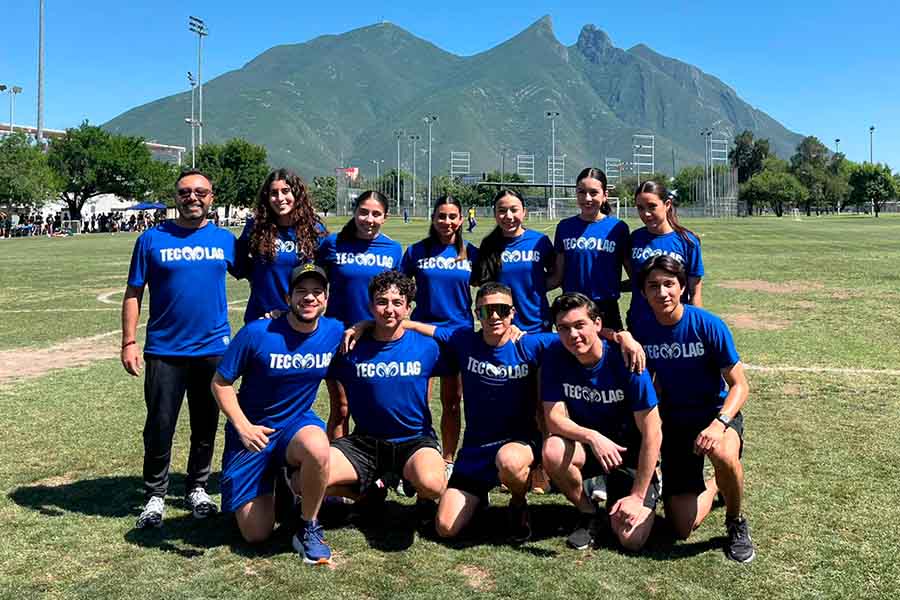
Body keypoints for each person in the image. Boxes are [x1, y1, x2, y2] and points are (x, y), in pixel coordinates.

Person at [121, 169, 238, 529]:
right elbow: (133, 292)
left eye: (200, 192)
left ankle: (197, 488)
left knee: (206, 425)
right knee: (159, 425)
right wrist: (128, 341)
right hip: (164, 350)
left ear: (211, 198)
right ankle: (155, 495)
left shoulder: (225, 240)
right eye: (185, 192)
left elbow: (261, 273)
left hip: (213, 350)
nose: (193, 197)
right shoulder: (151, 239)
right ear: (176, 197)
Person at [397, 282, 556, 542]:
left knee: (510, 462)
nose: (494, 316)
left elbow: (578, 333)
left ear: (512, 313)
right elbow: (420, 327)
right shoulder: (464, 340)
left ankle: (518, 502)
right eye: (486, 311)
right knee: (446, 528)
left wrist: (621, 337)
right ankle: (479, 494)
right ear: (476, 314)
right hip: (476, 450)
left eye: (501, 310)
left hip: (518, 444)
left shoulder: (530, 344)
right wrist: (364, 326)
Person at [211, 263, 340, 564]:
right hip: (253, 433)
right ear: (287, 297)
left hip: (296, 425)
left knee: (319, 447)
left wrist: (362, 327)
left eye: (317, 292)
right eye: (301, 292)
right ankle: (281, 483)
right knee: (256, 535)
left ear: (326, 299)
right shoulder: (257, 332)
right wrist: (243, 426)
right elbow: (220, 383)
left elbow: (371, 329)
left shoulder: (333, 330)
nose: (309, 298)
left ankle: (308, 525)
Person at [632, 255, 755, 563]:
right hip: (676, 423)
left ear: (682, 287)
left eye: (669, 284)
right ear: (644, 292)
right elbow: (653, 382)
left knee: (724, 455)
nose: (662, 293)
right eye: (653, 286)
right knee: (682, 527)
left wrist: (719, 424)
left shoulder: (708, 324)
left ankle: (736, 522)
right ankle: (717, 484)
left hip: (715, 415)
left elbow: (739, 385)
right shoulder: (643, 330)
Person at [325, 271, 449, 524]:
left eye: (397, 303)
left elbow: (463, 339)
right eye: (381, 302)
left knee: (433, 484)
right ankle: (369, 491)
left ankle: (422, 494)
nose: (389, 309)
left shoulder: (428, 346)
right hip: (365, 443)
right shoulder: (350, 347)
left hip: (414, 440)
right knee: (307, 477)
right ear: (370, 306)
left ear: (408, 308)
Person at [542, 293, 662, 552]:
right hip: (592, 450)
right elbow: (553, 418)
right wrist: (593, 437)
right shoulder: (555, 355)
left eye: (579, 325)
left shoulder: (627, 359)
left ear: (597, 324)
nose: (572, 335)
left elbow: (653, 432)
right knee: (553, 450)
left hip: (630, 454)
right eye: (563, 328)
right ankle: (588, 513)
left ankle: (648, 484)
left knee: (631, 540)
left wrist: (638, 496)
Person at [401, 195, 478, 473]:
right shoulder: (416, 252)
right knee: (417, 401)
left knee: (452, 403)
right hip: (422, 335)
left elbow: (489, 289)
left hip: (458, 336)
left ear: (460, 220)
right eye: (441, 216)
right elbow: (400, 286)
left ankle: (447, 459)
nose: (447, 222)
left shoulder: (471, 252)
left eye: (452, 217)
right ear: (433, 218)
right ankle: (415, 455)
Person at [316, 191, 402, 439]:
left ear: (385, 217)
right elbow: (313, 284)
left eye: (376, 214)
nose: (369, 219)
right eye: (363, 212)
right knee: (341, 408)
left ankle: (377, 468)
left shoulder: (393, 249)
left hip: (377, 339)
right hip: (338, 337)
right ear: (355, 212)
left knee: (376, 406)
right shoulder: (332, 244)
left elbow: (400, 297)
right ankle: (337, 470)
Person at [235, 168, 326, 323]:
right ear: (267, 197)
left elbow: (324, 275)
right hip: (261, 317)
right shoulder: (256, 227)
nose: (280, 198)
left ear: (297, 194)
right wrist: (256, 276)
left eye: (286, 191)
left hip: (300, 319)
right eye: (274, 193)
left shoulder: (314, 230)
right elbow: (239, 264)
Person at [552, 168, 631, 332]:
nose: (587, 198)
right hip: (572, 308)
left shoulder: (618, 228)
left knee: (611, 356)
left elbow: (633, 273)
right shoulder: (564, 227)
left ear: (605, 195)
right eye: (581, 192)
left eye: (593, 192)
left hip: (606, 308)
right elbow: (558, 276)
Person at [471, 188, 556, 334]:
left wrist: (535, 288)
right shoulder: (489, 245)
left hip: (537, 323)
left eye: (514, 210)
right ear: (495, 214)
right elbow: (482, 282)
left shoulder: (539, 241)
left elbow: (556, 276)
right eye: (502, 210)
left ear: (524, 212)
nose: (508, 216)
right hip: (502, 325)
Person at [627, 181, 703, 329]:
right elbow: (637, 281)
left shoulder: (687, 241)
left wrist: (696, 326)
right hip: (640, 323)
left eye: (652, 206)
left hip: (675, 323)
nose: (646, 214)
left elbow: (695, 291)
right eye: (640, 208)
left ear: (667, 204)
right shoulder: (635, 238)